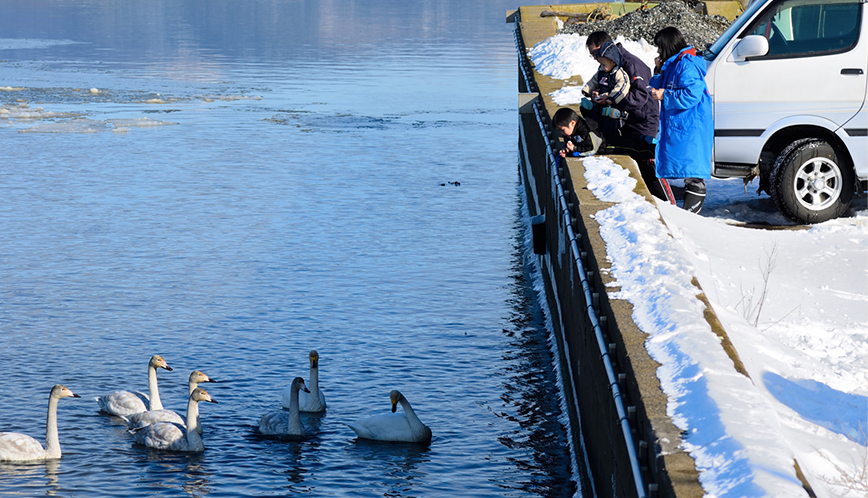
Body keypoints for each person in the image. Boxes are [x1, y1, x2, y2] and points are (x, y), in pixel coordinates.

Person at [582, 31, 662, 198]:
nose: (596, 59)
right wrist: (597, 94)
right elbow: (605, 84)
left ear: (606, 47)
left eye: (596, 54)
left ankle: (664, 200)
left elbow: (641, 96)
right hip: (627, 119)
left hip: (643, 120)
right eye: (593, 56)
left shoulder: (632, 64)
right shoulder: (608, 62)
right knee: (632, 161)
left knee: (646, 162)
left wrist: (611, 101)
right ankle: (644, 197)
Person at [648, 26, 713, 213]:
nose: (658, 52)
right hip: (681, 124)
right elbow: (659, 85)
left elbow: (692, 94)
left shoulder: (686, 65)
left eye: (660, 48)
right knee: (686, 169)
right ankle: (685, 210)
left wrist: (665, 95)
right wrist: (658, 70)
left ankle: (690, 215)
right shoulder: (673, 64)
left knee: (692, 172)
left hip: (690, 125)